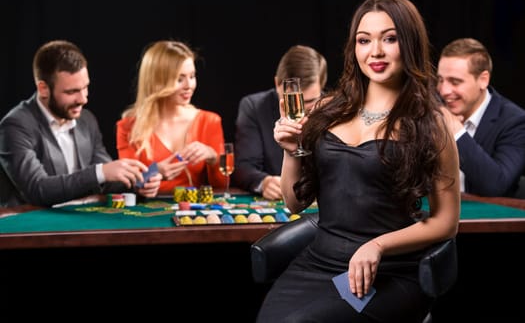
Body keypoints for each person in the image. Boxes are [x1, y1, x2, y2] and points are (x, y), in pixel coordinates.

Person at [256, 0, 461, 323]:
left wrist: (378, 246)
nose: (375, 51)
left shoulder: (430, 123)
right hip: (320, 264)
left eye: (390, 39)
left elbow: (445, 222)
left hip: (389, 271)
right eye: (364, 40)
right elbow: (294, 204)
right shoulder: (326, 110)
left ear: (409, 44)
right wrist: (291, 152)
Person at [0, 40, 161, 208]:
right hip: (29, 227)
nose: (83, 99)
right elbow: (38, 189)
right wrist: (100, 172)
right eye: (72, 92)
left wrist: (137, 183)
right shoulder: (14, 126)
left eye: (85, 87)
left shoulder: (86, 119)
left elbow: (107, 179)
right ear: (43, 89)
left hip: (78, 222)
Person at [116, 40, 226, 195]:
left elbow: (223, 186)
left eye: (192, 76)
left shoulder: (210, 121)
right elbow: (125, 185)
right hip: (146, 215)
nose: (189, 85)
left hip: (191, 213)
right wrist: (155, 172)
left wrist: (213, 158)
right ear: (156, 81)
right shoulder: (127, 126)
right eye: (179, 79)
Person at [233, 45, 327, 200]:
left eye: (309, 101)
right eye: (293, 100)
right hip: (279, 203)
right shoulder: (254, 107)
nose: (300, 110)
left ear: (322, 88)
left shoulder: (335, 109)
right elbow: (244, 166)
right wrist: (264, 182)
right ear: (277, 83)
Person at [437, 37, 525, 197]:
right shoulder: (435, 112)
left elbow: (497, 185)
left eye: (455, 82)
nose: (444, 91)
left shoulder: (515, 121)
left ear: (483, 80)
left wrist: (456, 131)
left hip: (486, 219)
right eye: (440, 80)